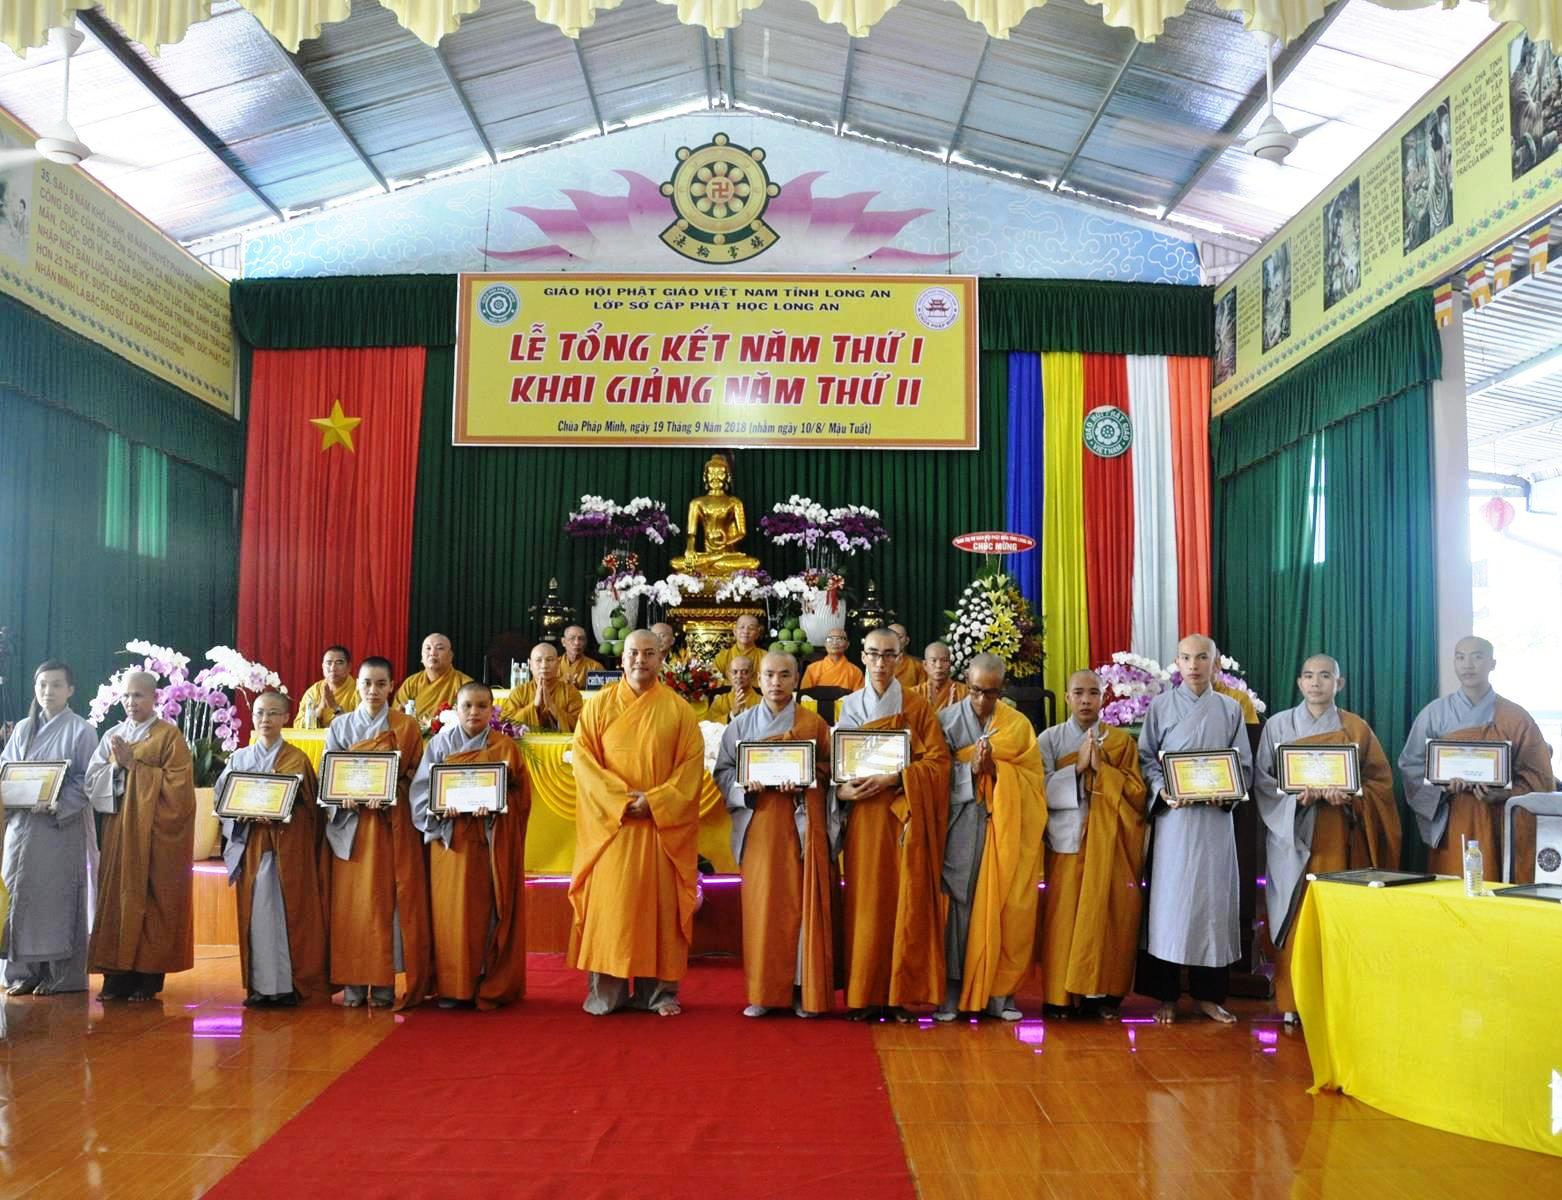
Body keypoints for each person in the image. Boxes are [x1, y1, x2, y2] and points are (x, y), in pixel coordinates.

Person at [1255, 655, 1399, 1023]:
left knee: (1336, 918)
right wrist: (1296, 799)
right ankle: (1293, 1002)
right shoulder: (1278, 725)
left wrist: (1352, 796)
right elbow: (1264, 783)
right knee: (1295, 915)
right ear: (1299, 683)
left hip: (1339, 836)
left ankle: (1336, 1002)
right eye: (1308, 676)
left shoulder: (1356, 728)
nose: (1315, 683)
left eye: (1324, 676)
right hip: (1292, 837)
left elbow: (1380, 783)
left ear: (1339, 683)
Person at [568, 630, 703, 1016]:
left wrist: (656, 801)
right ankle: (606, 995)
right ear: (621, 658)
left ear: (661, 658)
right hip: (613, 828)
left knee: (658, 913)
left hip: (660, 829)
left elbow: (690, 767)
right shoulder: (598, 705)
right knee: (611, 911)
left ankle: (658, 994)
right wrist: (620, 801)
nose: (640, 660)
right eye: (633, 653)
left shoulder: (678, 710)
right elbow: (583, 760)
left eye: (648, 653)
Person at [833, 627, 950, 1019]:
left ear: (901, 659)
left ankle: (898, 995)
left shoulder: (917, 706)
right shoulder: (849, 706)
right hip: (864, 818)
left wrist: (897, 777)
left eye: (888, 655)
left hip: (901, 814)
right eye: (874, 654)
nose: (880, 663)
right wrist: (841, 790)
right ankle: (863, 994)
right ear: (862, 656)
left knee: (901, 901)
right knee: (865, 904)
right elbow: (837, 765)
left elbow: (938, 763)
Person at [1136, 635, 1251, 1025]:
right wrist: (1162, 790)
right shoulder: (1161, 706)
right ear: (1177, 662)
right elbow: (1146, 759)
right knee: (1170, 906)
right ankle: (1166, 996)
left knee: (1211, 906)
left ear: (1215, 663)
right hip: (1175, 822)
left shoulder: (1230, 709)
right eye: (1186, 658)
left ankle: (1209, 996)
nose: (1194, 665)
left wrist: (1227, 793)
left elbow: (1244, 765)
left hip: (1215, 823)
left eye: (1202, 657)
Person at [714, 652, 835, 1017]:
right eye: (769, 675)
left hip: (800, 828)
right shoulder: (740, 725)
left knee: (800, 909)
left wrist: (806, 780)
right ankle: (764, 993)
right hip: (760, 826)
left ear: (796, 680)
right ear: (758, 679)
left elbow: (830, 769)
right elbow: (723, 772)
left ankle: (801, 992)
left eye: (784, 675)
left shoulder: (813, 724)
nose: (776, 683)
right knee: (763, 909)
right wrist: (744, 786)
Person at [935, 654, 1045, 1022]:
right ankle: (952, 992)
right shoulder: (946, 721)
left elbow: (1033, 779)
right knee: (960, 905)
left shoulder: (1018, 725)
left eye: (991, 693)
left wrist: (997, 770)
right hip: (961, 823)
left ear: (1003, 689)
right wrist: (969, 770)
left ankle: (1000, 993)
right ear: (966, 683)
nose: (982, 700)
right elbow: (933, 774)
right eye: (976, 691)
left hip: (1005, 826)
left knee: (1007, 903)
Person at [1036, 670, 1147, 1020]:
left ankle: (1099, 995)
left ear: (1104, 698)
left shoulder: (1121, 743)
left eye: (1093, 693)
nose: (1086, 700)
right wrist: (1077, 769)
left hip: (1109, 842)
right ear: (1067, 697)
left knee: (1105, 916)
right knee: (1062, 919)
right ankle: (1058, 997)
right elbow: (1036, 789)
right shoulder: (1050, 739)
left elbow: (1137, 794)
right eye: (1079, 693)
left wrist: (1103, 770)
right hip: (1067, 840)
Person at [411, 682, 529, 1010]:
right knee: (449, 915)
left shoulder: (504, 747)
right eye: (467, 706)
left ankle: (484, 980)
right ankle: (452, 987)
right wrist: (438, 809)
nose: (474, 712)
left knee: (486, 913)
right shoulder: (439, 744)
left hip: (489, 843)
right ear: (456, 709)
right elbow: (420, 792)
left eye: (481, 706)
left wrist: (497, 806)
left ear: (492, 710)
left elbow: (521, 797)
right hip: (450, 843)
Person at [1399, 636, 1554, 882]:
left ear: (1492, 664)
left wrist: (1504, 794)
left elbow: (1539, 778)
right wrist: (1442, 789)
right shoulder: (1434, 713)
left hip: (1500, 820)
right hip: (1453, 818)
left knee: (1498, 886)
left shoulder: (1516, 717)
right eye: (1460, 657)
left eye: (1477, 657)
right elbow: (1411, 766)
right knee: (1454, 886)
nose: (1467, 665)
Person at [323, 657, 431, 1009]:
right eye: (367, 683)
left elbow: (417, 777)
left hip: (388, 828)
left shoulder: (406, 726)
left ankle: (383, 981)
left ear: (391, 687)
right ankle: (353, 983)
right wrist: (342, 796)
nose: (373, 690)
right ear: (357, 685)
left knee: (386, 904)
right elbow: (329, 773)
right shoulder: (340, 726)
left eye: (381, 684)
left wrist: (391, 793)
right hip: (352, 827)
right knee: (352, 907)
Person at [84, 671, 196, 1002]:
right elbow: (92, 783)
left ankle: (148, 978)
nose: (131, 702)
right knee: (117, 898)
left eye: (138, 695)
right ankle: (116, 976)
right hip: (120, 831)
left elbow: (180, 792)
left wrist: (134, 765)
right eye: (126, 696)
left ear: (155, 698)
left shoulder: (169, 736)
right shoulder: (113, 735)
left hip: (154, 836)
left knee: (151, 899)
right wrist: (117, 767)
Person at [214, 690, 327, 1007]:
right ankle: (261, 987)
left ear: (286, 718)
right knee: (257, 915)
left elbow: (311, 810)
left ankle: (289, 986)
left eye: (273, 713)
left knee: (287, 914)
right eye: (260, 713)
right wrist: (240, 813)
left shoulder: (297, 759)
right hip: (253, 846)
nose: (266, 719)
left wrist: (285, 813)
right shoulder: (240, 758)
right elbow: (222, 801)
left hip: (287, 848)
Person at [0, 661, 97, 995]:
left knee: (56, 898)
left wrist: (57, 803)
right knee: (18, 895)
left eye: (56, 685)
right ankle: (22, 972)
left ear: (70, 690)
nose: (48, 691)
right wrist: (13, 796)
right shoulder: (23, 728)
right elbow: (5, 769)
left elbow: (87, 780)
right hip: (21, 825)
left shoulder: (81, 730)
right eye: (42, 684)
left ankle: (60, 976)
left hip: (58, 829)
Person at [498, 643, 583, 733]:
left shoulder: (570, 692)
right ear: (530, 665)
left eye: (549, 660)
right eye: (538, 660)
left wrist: (552, 707)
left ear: (558, 663)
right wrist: (534, 705)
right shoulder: (519, 692)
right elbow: (505, 725)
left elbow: (580, 725)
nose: (544, 665)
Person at [394, 633, 473, 719]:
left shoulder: (465, 684)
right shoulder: (411, 683)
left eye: (440, 648)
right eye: (428, 648)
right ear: (421, 657)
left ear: (450, 656)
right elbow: (396, 715)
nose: (432, 653)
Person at [296, 646, 357, 728]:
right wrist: (320, 709)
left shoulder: (359, 690)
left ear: (349, 667)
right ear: (322, 667)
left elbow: (362, 726)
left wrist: (335, 707)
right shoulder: (314, 691)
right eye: (328, 663)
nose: (333, 668)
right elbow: (298, 726)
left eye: (339, 663)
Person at [800, 628, 864, 691]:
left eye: (839, 639)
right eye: (830, 639)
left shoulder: (856, 672)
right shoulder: (812, 669)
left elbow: (859, 696)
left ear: (847, 645)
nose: (834, 643)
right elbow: (804, 695)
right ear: (825, 644)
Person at [707, 655, 761, 725]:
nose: (739, 676)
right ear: (728, 675)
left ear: (752, 675)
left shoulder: (762, 702)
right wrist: (732, 714)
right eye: (735, 672)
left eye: (744, 672)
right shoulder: (719, 702)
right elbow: (709, 726)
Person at [916, 642, 968, 712]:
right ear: (925, 665)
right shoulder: (914, 693)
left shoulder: (964, 692)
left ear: (950, 664)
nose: (939, 666)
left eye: (944, 660)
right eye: (934, 661)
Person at [887, 623, 927, 689]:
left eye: (899, 637)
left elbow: (923, 691)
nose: (895, 640)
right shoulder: (874, 664)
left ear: (907, 641)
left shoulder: (917, 665)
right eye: (890, 636)